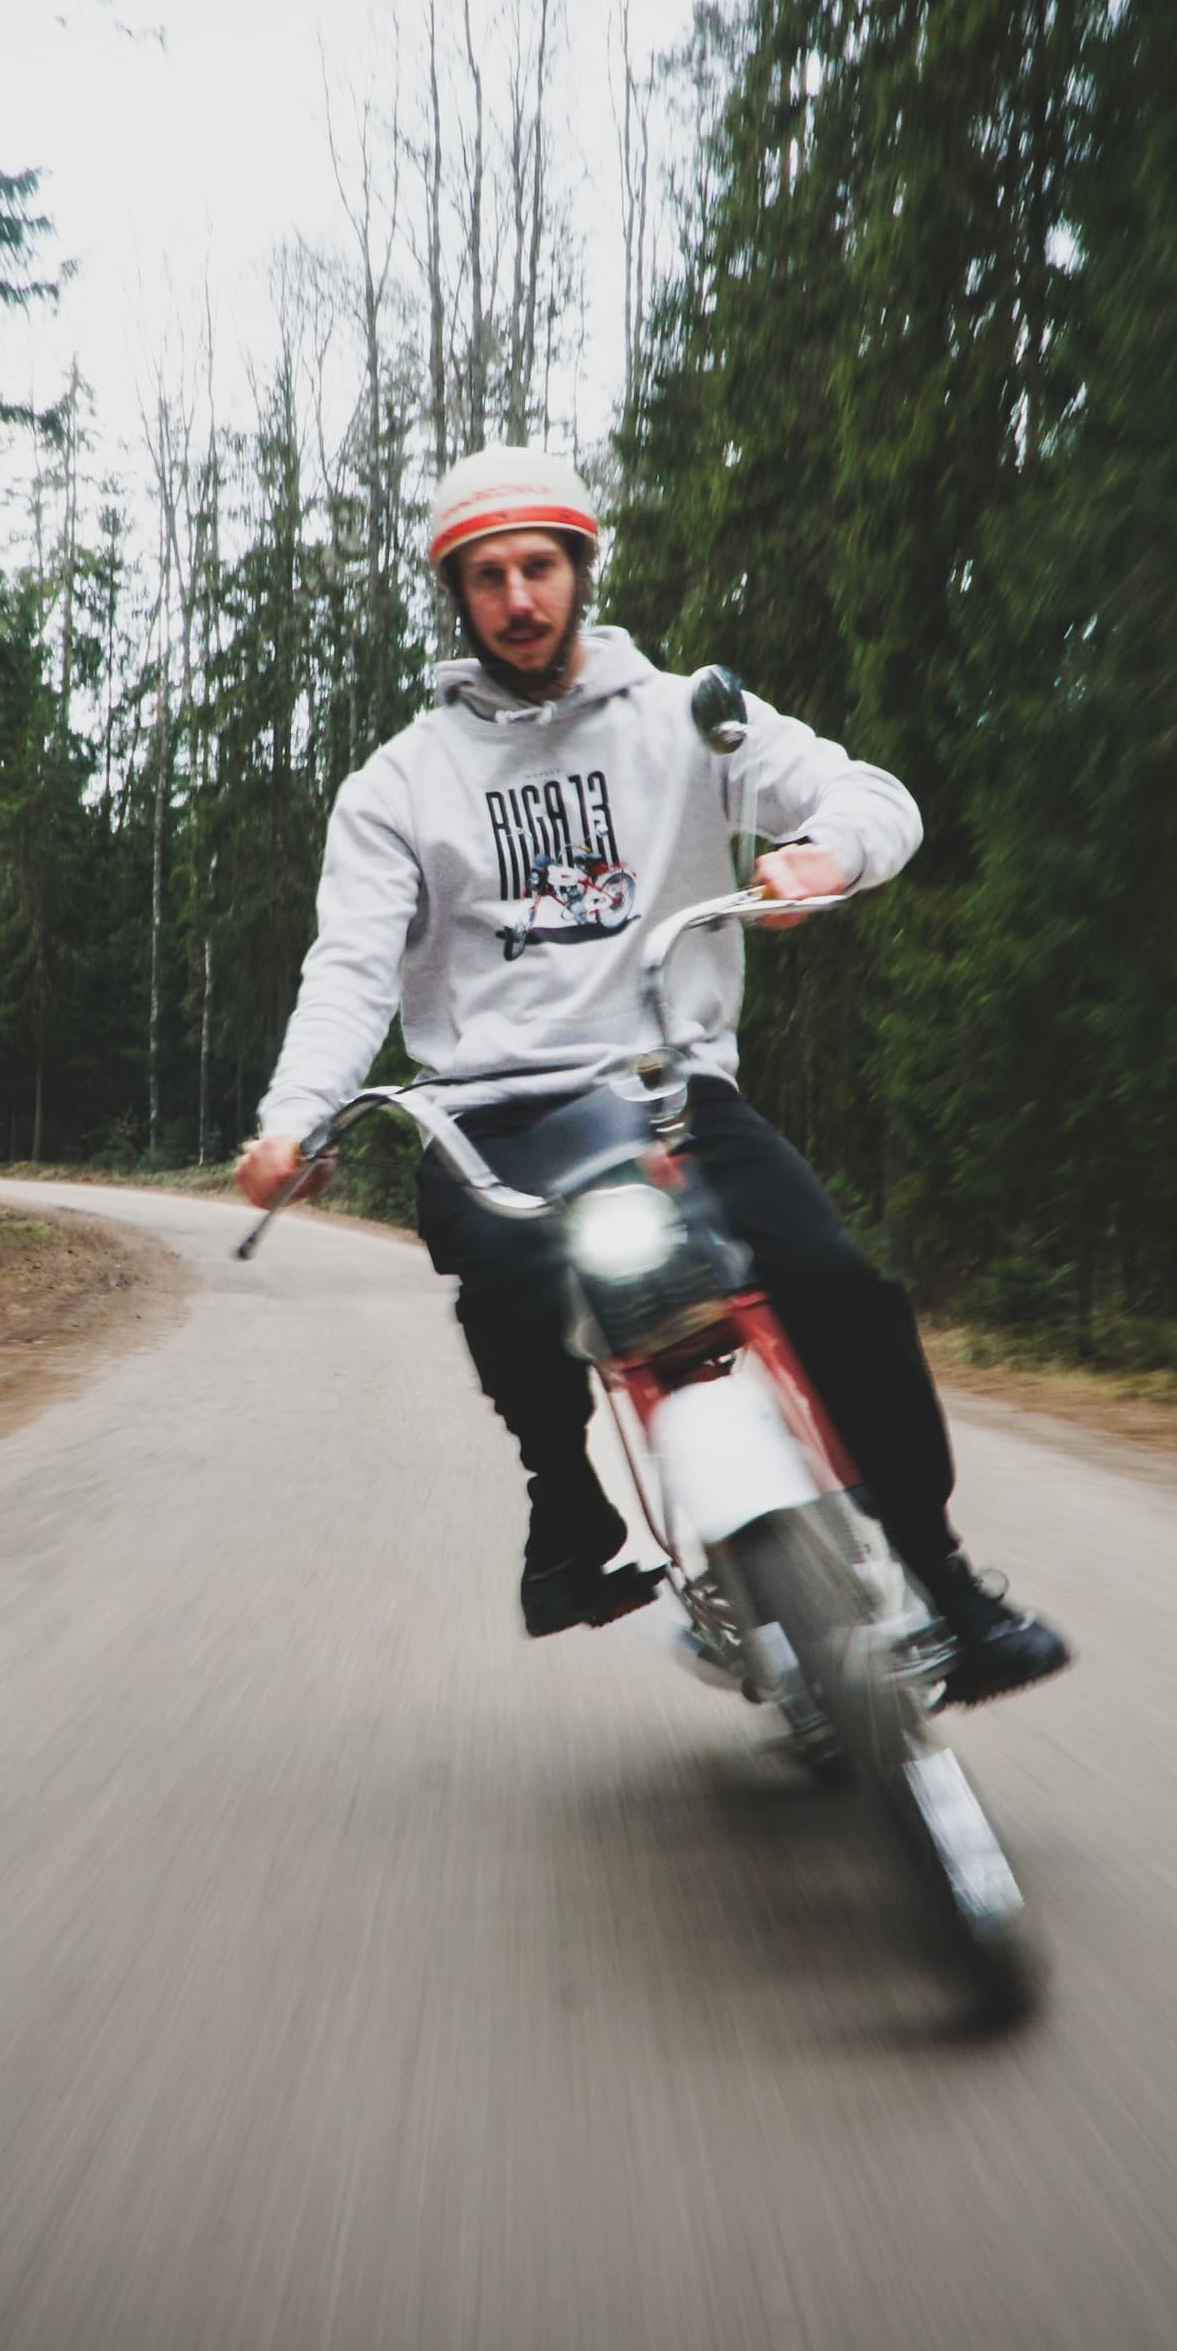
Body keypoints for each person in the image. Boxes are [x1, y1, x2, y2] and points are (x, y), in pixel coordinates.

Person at [233, 446, 1072, 1705]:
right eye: (487, 576)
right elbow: (350, 967)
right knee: (506, 1271)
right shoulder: (397, 784)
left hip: (675, 1090)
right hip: (493, 1116)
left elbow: (868, 791)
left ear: (580, 569)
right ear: (456, 597)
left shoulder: (693, 713)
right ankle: (564, 1512)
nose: (518, 598)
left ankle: (946, 1579)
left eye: (538, 566)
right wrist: (292, 1122)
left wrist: (823, 855)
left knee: (836, 1285)